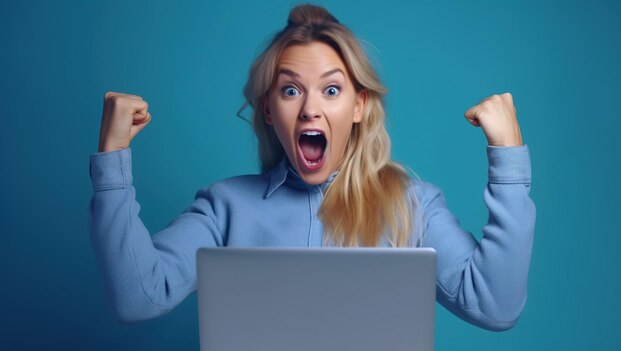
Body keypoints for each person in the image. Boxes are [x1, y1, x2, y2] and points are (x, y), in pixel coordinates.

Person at [88, 4, 535, 332]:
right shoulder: (225, 207)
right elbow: (137, 297)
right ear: (267, 110)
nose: (310, 110)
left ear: (359, 106)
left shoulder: (411, 207)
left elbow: (495, 305)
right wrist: (112, 162)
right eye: (290, 91)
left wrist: (509, 159)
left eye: (332, 91)